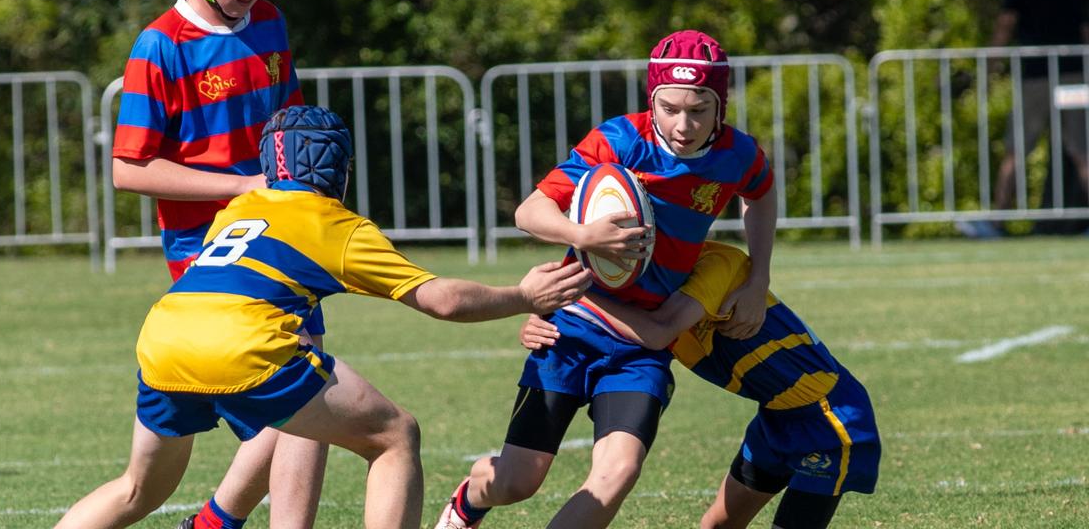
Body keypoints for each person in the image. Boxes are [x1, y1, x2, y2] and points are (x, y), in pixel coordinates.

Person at [57, 105, 593, 529]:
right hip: (238, 343)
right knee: (394, 435)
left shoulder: (240, 208)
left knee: (137, 490)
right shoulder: (338, 225)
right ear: (340, 169)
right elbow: (441, 299)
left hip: (163, 335)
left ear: (271, 164)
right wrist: (524, 296)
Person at [435, 30, 778, 529]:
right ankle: (469, 502)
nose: (684, 124)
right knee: (517, 480)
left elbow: (761, 195)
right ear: (652, 100)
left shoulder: (736, 154)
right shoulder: (620, 140)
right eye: (671, 108)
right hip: (571, 327)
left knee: (618, 473)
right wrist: (584, 234)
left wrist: (758, 277)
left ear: (719, 105)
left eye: (699, 109)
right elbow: (528, 212)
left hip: (641, 345)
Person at [109, 0, 325, 528]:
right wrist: (239, 187)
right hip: (205, 254)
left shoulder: (270, 24)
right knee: (302, 408)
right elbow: (129, 168)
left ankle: (213, 522)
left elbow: (289, 125)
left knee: (307, 408)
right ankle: (215, 522)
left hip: (279, 236)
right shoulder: (161, 45)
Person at [520, 241, 881, 529]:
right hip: (774, 420)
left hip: (830, 420)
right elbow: (596, 335)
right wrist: (541, 316)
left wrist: (579, 292)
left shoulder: (714, 264)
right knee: (717, 525)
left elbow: (658, 332)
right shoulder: (641, 301)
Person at [958, 0, 1089, 238]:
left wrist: (989, 68)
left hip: (1037, 79)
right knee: (1083, 151)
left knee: (1016, 150)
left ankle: (996, 223)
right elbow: (1085, 33)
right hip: (1073, 76)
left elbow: (1004, 27)